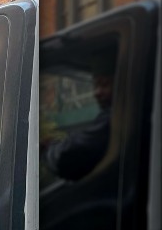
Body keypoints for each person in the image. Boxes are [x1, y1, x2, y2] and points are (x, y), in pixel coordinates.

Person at [42, 52, 114, 181]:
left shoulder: (112, 118)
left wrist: (47, 149)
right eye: (96, 85)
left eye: (104, 84)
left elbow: (68, 156)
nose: (97, 93)